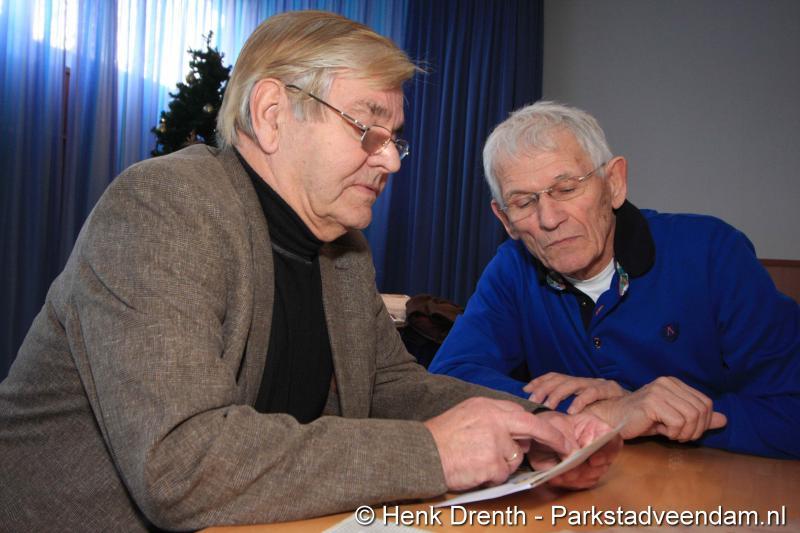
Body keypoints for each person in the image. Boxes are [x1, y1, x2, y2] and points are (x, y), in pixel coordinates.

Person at [0, 13, 621, 531]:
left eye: (394, 138)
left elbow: (391, 388)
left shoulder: (342, 249)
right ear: (272, 113)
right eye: (367, 129)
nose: (390, 161)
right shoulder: (165, 206)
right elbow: (179, 463)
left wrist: (538, 426)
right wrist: (433, 452)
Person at [429, 101, 800, 459]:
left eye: (567, 189)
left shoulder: (712, 253)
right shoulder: (513, 268)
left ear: (614, 183)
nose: (549, 219)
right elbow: (447, 383)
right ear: (505, 219)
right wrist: (603, 414)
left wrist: (651, 415)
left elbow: (791, 409)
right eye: (524, 202)